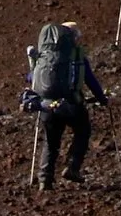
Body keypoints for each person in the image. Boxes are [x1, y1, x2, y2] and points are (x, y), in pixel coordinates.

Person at [22, 20, 106, 189]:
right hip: (71, 103)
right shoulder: (76, 56)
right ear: (72, 37)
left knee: (51, 141)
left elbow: (31, 78)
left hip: (46, 104)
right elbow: (90, 79)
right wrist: (102, 99)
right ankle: (72, 167)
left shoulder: (44, 55)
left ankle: (44, 181)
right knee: (83, 131)